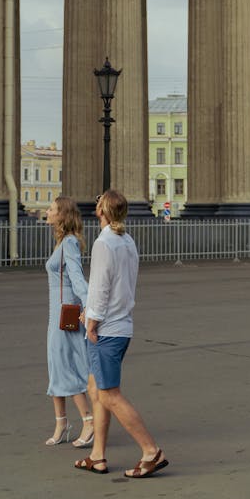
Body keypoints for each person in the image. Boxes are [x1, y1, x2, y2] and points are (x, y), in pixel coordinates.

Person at [74, 189, 168, 478]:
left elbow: (100, 287)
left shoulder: (104, 243)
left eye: (99, 202)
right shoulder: (126, 240)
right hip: (121, 324)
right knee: (96, 391)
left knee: (110, 394)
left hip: (107, 329)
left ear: (102, 211)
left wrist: (91, 320)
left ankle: (151, 451)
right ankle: (97, 456)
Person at [44, 196, 94, 448]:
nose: (47, 211)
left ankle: (89, 421)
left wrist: (89, 306)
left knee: (67, 364)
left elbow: (77, 277)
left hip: (66, 312)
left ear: (62, 215)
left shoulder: (70, 243)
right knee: (56, 363)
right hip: (57, 311)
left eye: (52, 209)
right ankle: (61, 423)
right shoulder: (62, 242)